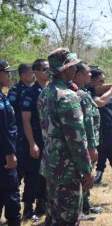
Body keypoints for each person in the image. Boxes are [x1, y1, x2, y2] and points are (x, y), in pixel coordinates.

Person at [37, 48, 94, 225]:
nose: (76, 69)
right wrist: (86, 170)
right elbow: (76, 138)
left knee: (53, 215)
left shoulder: (45, 92)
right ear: (66, 70)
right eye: (74, 66)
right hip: (67, 169)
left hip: (51, 164)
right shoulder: (68, 96)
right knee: (68, 219)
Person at [18, 59, 49, 221]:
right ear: (36, 72)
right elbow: (26, 121)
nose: (48, 72)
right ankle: (28, 209)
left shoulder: (52, 90)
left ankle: (41, 205)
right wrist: (32, 144)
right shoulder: (29, 93)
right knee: (33, 176)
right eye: (45, 69)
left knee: (46, 176)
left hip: (50, 141)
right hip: (35, 139)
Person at [71, 62, 103, 219]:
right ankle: (82, 209)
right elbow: (87, 123)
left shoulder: (82, 91)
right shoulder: (80, 95)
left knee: (85, 175)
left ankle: (85, 206)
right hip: (84, 143)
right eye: (88, 72)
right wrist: (91, 146)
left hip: (84, 142)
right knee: (84, 175)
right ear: (78, 75)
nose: (91, 75)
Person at [89, 67, 112, 198]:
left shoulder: (103, 92)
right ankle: (84, 202)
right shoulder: (87, 92)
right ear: (91, 81)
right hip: (98, 137)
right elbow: (100, 103)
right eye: (100, 81)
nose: (103, 84)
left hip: (111, 135)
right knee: (88, 168)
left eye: (104, 81)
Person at [0, 60, 21, 226]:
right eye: (6, 73)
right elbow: (2, 129)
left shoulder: (3, 96)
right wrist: (10, 153)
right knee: (12, 193)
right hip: (4, 156)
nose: (9, 76)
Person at [7, 63, 34, 187]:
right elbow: (10, 114)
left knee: (32, 171)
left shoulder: (36, 89)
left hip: (33, 134)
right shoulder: (15, 90)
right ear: (23, 75)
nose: (33, 74)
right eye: (31, 72)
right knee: (18, 170)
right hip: (19, 135)